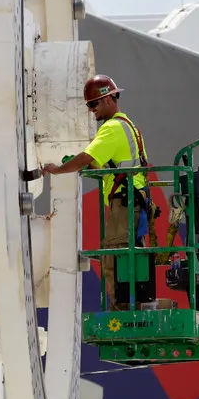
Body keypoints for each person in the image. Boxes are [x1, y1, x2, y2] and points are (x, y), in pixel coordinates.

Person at [42, 75, 153, 310]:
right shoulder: (130, 127)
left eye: (93, 104)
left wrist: (59, 170)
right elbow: (112, 164)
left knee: (114, 257)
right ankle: (134, 307)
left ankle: (122, 312)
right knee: (130, 259)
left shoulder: (111, 128)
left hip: (125, 204)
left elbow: (86, 157)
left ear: (107, 99)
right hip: (135, 203)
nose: (91, 110)